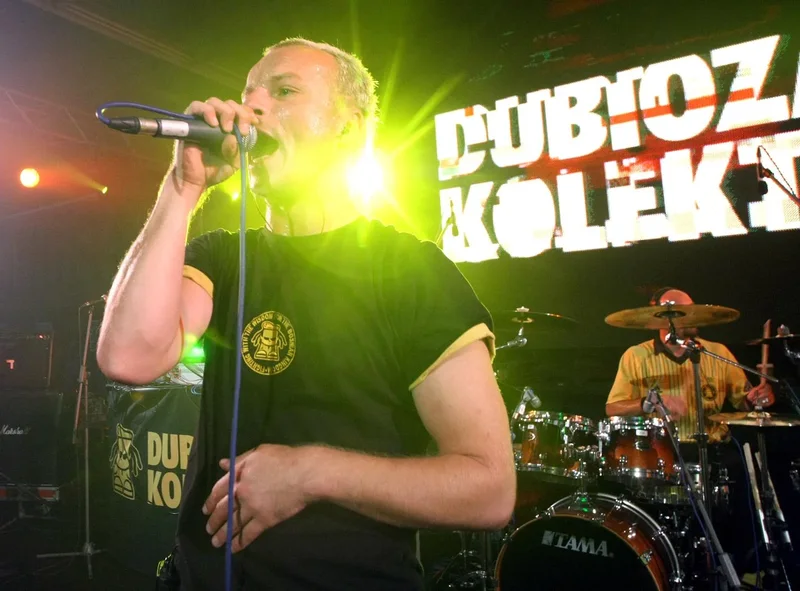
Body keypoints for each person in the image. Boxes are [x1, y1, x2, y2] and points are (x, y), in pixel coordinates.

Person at [96, 38, 515, 591]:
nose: (252, 106)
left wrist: (310, 473)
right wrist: (183, 187)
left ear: (348, 128)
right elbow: (128, 356)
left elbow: (489, 489)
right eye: (249, 93)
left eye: (285, 91)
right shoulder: (221, 257)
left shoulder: (411, 271)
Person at [606, 287, 775, 442]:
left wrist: (757, 398)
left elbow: (744, 403)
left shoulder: (718, 352)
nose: (695, 317)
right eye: (687, 312)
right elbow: (612, 409)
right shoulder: (636, 355)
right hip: (663, 451)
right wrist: (649, 402)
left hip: (714, 449)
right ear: (664, 319)